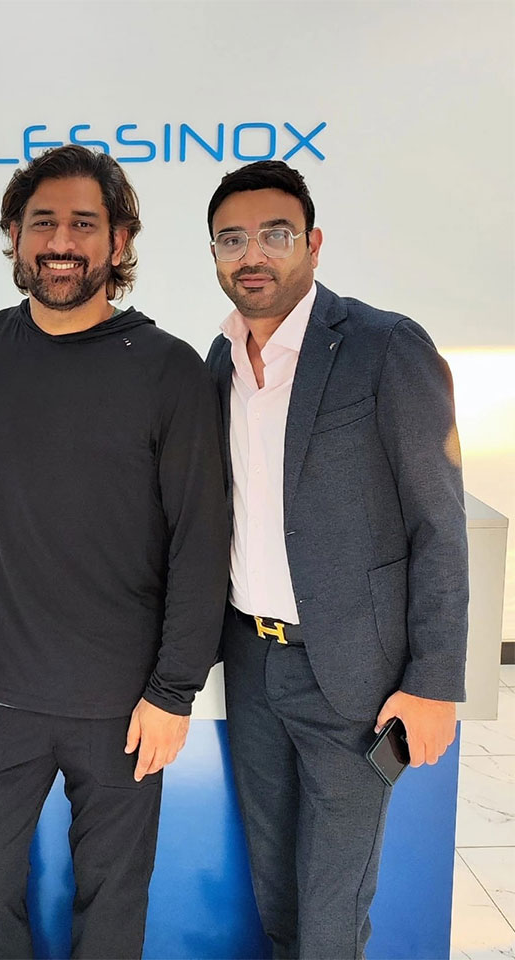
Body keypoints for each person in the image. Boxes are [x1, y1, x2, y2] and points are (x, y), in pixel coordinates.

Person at [0, 144, 229, 959]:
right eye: (43, 223)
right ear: (13, 234)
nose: (61, 241)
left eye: (83, 223)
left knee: (112, 911)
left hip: (125, 706)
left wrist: (174, 692)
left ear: (120, 241)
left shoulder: (170, 371)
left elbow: (201, 543)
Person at [204, 160, 468, 959]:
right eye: (232, 239)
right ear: (214, 256)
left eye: (276, 234)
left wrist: (433, 681)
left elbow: (439, 523)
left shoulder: (386, 346)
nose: (255, 254)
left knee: (330, 916)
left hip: (352, 676)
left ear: (313, 245)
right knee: (276, 898)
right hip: (251, 664)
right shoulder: (215, 364)